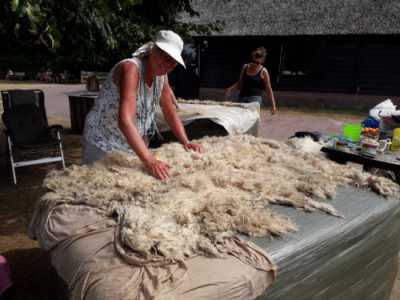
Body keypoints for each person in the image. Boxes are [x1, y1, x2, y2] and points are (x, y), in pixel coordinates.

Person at [82, 30, 204, 180]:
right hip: (103, 139)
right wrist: (149, 160)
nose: (167, 65)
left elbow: (170, 113)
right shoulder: (131, 69)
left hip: (130, 142)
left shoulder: (161, 77)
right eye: (165, 57)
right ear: (152, 49)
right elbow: (125, 122)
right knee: (97, 184)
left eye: (173, 62)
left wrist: (186, 142)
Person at [226, 47, 277, 115]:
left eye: (258, 63)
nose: (255, 64)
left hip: (255, 98)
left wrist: (273, 104)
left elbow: (268, 89)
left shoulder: (264, 71)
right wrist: (230, 89)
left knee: (250, 117)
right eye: (253, 62)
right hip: (242, 96)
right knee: (239, 117)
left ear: (262, 61)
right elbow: (239, 83)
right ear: (252, 58)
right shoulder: (245, 67)